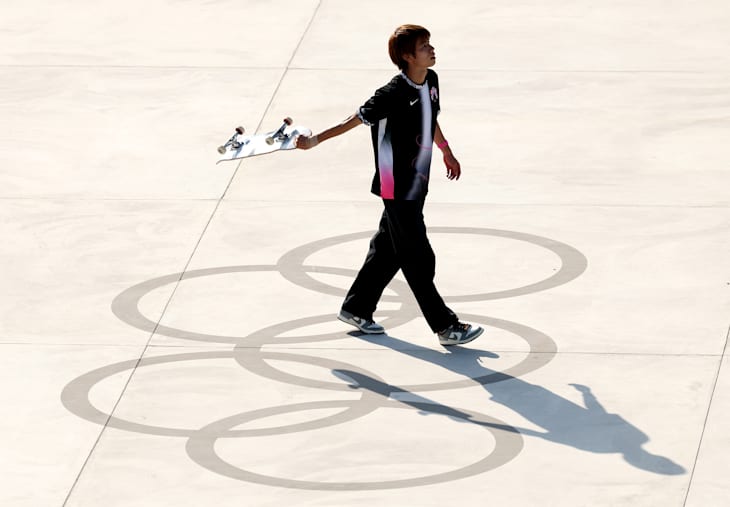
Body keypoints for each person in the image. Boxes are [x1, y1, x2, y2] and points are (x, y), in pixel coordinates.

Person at [296, 24, 483, 346]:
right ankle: (445, 326)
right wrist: (314, 140)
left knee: (388, 248)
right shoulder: (392, 93)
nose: (432, 49)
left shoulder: (431, 81)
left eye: (430, 44)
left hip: (418, 178)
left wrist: (446, 150)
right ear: (408, 56)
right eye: (425, 46)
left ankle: (356, 308)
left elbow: (430, 116)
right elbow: (353, 119)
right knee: (418, 255)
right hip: (394, 183)